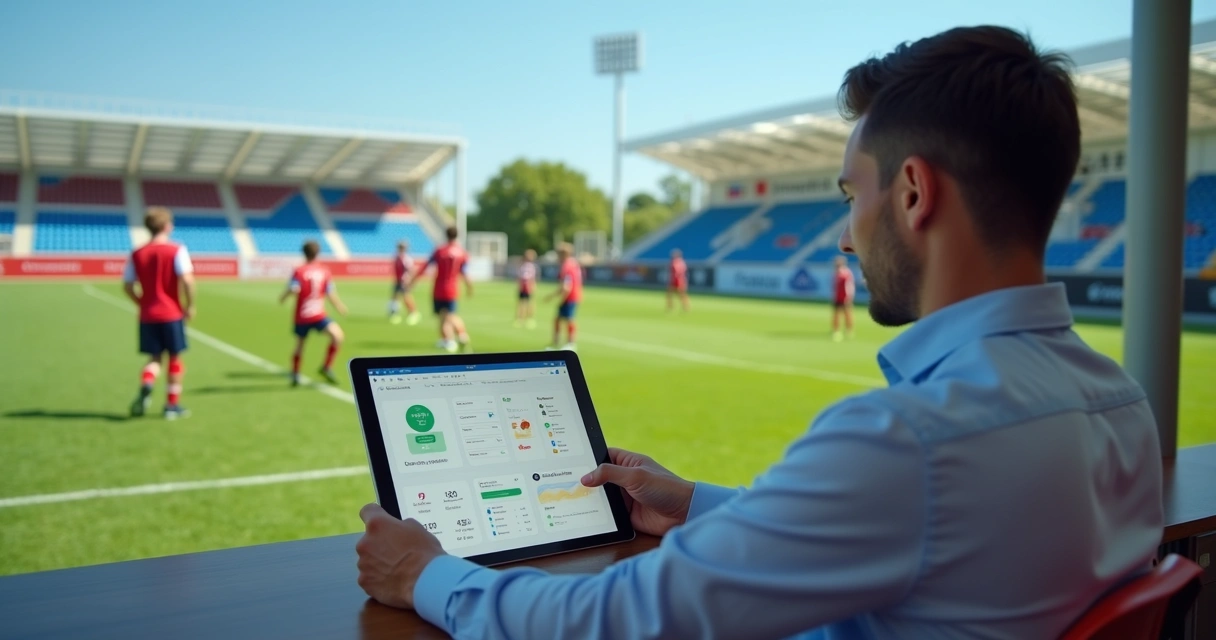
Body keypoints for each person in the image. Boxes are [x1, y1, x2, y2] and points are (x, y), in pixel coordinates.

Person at [355, 26, 1164, 639]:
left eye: (853, 195)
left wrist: (429, 575)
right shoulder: (1120, 400)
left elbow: (620, 620)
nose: (846, 237)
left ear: (914, 193)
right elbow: (927, 535)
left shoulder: (907, 440)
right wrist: (698, 503)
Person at [124, 206, 195, 420]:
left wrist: (142, 302)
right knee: (174, 357)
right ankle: (171, 406)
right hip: (171, 313)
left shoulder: (137, 253)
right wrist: (190, 305)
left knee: (154, 358)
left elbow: (128, 286)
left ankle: (148, 380)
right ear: (167, 226)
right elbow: (188, 280)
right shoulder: (176, 250)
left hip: (148, 314)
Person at [279, 240, 347, 386]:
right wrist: (340, 306)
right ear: (318, 253)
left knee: (300, 345)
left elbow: (294, 288)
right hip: (316, 314)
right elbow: (330, 292)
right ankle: (322, 367)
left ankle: (304, 372)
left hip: (305, 315)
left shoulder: (299, 271)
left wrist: (283, 297)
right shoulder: (324, 271)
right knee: (337, 336)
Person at [409, 226, 472, 353]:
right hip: (453, 288)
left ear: (446, 235)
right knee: (448, 315)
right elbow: (464, 272)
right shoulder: (462, 253)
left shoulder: (439, 251)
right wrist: (469, 286)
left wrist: (413, 281)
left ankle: (455, 338)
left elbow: (425, 266)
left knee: (445, 316)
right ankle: (453, 338)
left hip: (439, 288)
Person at [544, 243, 581, 351]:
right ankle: (557, 342)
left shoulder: (567, 266)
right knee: (558, 319)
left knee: (569, 319)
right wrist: (552, 296)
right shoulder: (573, 264)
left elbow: (566, 286)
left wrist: (562, 299)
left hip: (570, 297)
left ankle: (571, 343)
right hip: (572, 295)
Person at [388, 241, 421, 326]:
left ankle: (413, 313)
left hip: (404, 281)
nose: (400, 249)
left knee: (406, 297)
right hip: (398, 280)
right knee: (395, 297)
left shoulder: (406, 258)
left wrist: (409, 280)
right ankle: (394, 313)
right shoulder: (397, 257)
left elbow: (411, 270)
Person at [831, 256, 855, 341]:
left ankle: (849, 330)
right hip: (837, 297)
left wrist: (849, 296)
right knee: (836, 314)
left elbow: (849, 286)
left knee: (847, 314)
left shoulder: (846, 273)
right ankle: (836, 330)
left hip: (845, 297)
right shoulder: (836, 273)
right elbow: (835, 286)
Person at [514, 249, 537, 329]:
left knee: (529, 303)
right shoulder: (522, 266)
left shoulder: (531, 266)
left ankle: (529, 318)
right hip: (523, 286)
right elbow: (519, 276)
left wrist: (532, 286)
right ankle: (520, 318)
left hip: (528, 286)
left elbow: (533, 278)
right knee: (521, 303)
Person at [666, 248, 690, 313]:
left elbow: (677, 271)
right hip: (681, 280)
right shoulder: (682, 262)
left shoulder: (675, 262)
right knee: (680, 294)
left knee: (677, 294)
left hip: (677, 280)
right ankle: (685, 307)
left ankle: (672, 307)